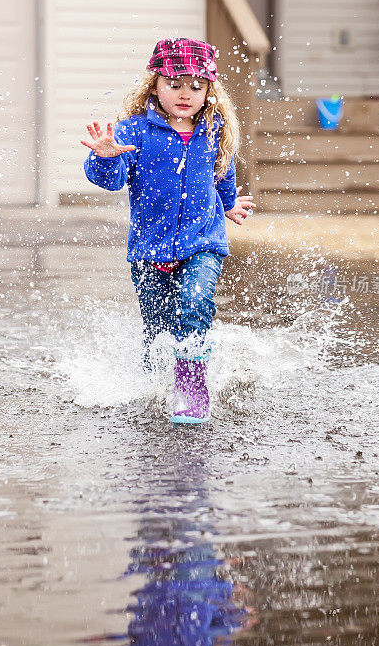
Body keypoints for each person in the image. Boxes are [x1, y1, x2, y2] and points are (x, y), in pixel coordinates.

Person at [82, 38, 256, 424]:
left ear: (209, 90)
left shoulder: (213, 129)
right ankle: (152, 380)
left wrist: (227, 204)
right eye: (174, 84)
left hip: (202, 241)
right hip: (149, 248)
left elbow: (221, 171)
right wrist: (104, 156)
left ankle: (192, 387)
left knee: (195, 303)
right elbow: (110, 181)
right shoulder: (135, 131)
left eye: (196, 86)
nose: (185, 94)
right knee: (158, 325)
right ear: (154, 85)